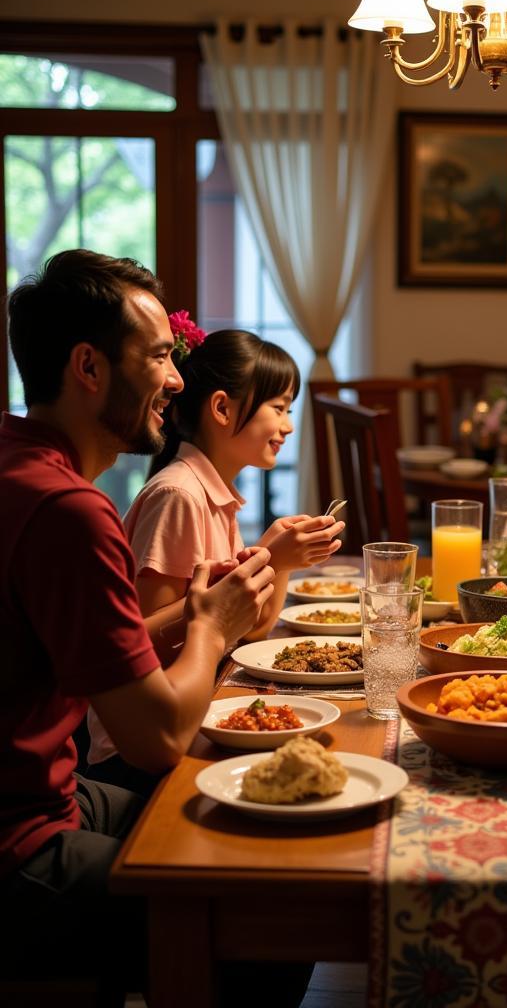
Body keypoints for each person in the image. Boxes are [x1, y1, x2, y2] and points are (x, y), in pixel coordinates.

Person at [0, 249, 307, 1004]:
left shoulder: (21, 464)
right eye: (162, 357)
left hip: (52, 788)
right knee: (275, 913)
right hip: (16, 843)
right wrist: (213, 623)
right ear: (89, 368)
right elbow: (156, 737)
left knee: (244, 811)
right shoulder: (69, 512)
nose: (178, 379)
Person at [83, 327, 344, 789]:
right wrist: (264, 555)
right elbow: (138, 642)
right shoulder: (179, 494)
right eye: (279, 408)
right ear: (222, 408)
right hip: (139, 747)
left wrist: (278, 563)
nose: (288, 426)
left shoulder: (215, 492)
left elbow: (252, 626)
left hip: (191, 711)